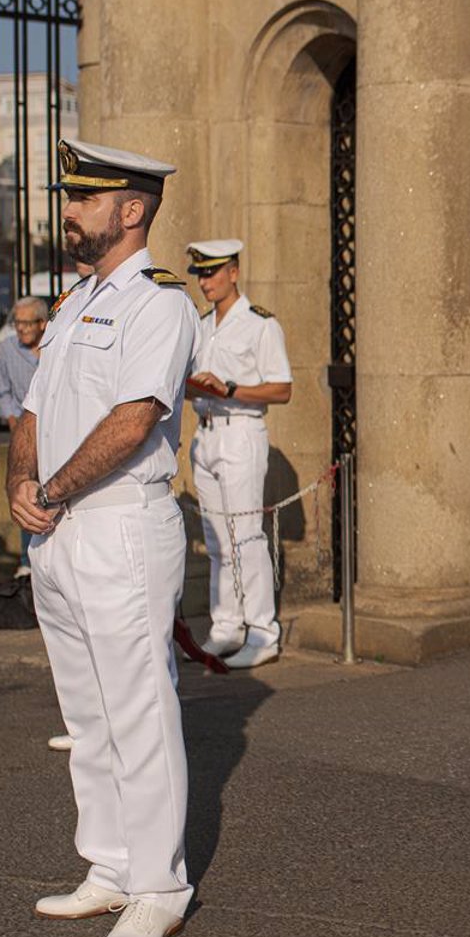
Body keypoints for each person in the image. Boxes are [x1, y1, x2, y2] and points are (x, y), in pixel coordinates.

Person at [11, 138, 197, 937]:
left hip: (118, 520)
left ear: (129, 211)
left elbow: (133, 419)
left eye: (84, 199)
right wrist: (24, 482)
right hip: (56, 527)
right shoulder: (74, 302)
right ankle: (111, 865)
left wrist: (49, 493)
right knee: (86, 715)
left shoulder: (160, 304)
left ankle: (160, 886)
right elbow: (31, 411)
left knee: (138, 708)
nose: (69, 211)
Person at [185, 239, 293, 669]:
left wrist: (229, 388)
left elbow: (282, 388)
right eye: (200, 274)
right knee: (215, 537)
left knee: (246, 536)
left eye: (212, 272)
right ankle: (227, 625)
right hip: (207, 432)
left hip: (240, 431)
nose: (205, 282)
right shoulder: (203, 323)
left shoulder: (260, 324)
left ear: (233, 272)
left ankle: (263, 631)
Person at [0, 295, 48, 578]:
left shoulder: (55, 345)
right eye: (17, 323)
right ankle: (27, 561)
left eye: (27, 324)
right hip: (23, 433)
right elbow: (3, 391)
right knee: (25, 491)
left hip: (54, 432)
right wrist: (15, 423)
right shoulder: (7, 349)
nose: (21, 329)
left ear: (42, 323)